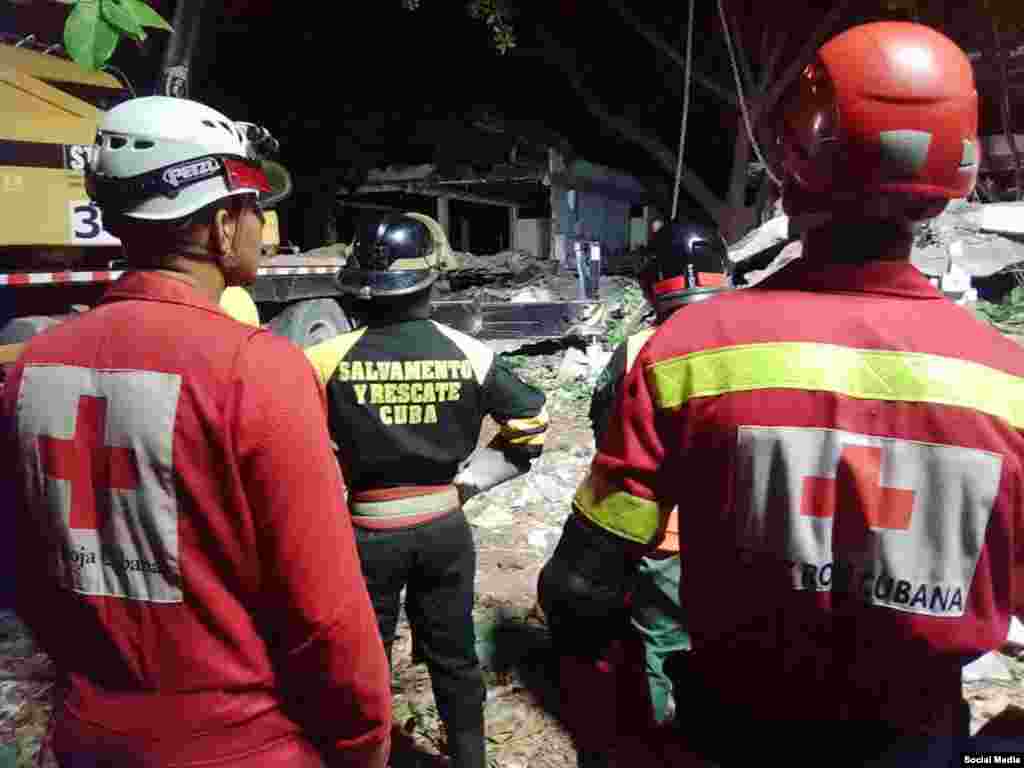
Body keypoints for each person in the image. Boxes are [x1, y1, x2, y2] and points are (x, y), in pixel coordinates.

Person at [540, 21, 1024, 767]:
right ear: (951, 183)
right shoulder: (1008, 385)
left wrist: (628, 737)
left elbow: (579, 589)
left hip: (735, 731)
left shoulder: (690, 355)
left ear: (794, 161)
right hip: (917, 739)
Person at [2, 96, 391, 768]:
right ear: (219, 225)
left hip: (91, 738)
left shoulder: (32, 366)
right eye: (253, 208)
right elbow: (326, 613)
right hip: (245, 746)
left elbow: (26, 573)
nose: (264, 225)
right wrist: (364, 743)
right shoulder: (256, 367)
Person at [305, 213, 549, 768]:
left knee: (364, 662)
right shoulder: (468, 351)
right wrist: (469, 482)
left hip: (368, 532)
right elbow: (531, 419)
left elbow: (295, 444)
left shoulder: (323, 359)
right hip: (444, 527)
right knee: (455, 656)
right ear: (430, 281)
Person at [587, 220, 730, 729]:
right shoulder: (759, 341)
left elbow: (608, 432)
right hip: (752, 534)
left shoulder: (636, 350)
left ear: (651, 284)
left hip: (665, 533)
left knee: (663, 645)